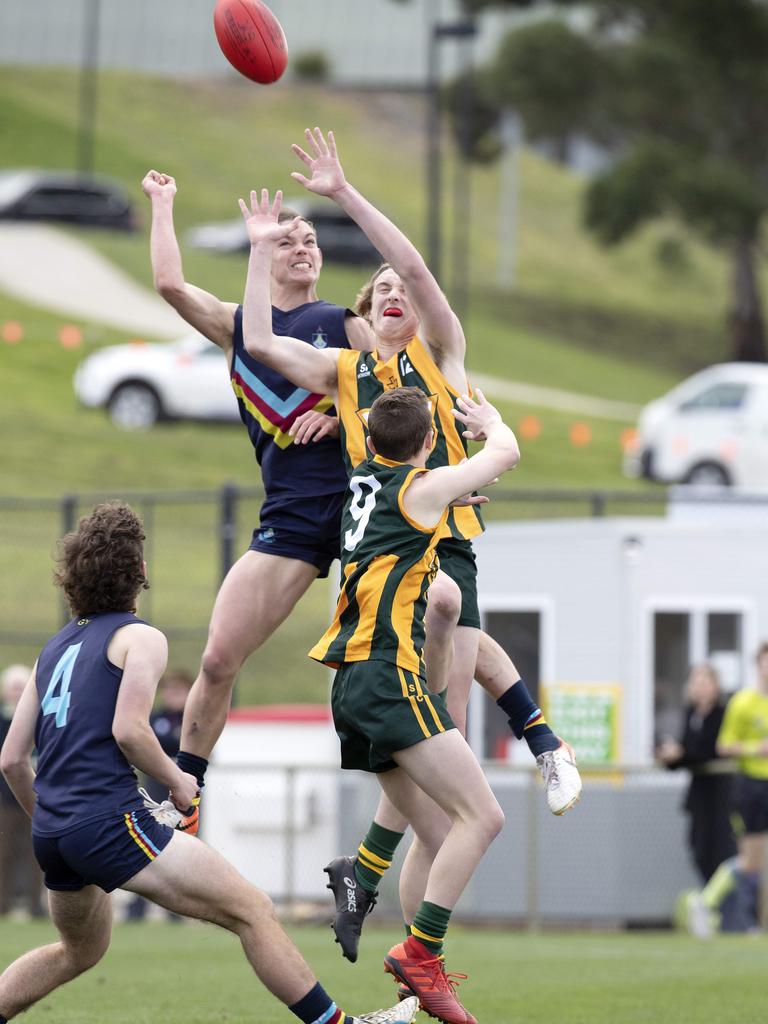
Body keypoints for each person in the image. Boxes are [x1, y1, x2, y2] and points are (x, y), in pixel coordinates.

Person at [239, 128, 581, 960]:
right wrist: (257, 251)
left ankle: (379, 881)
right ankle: (537, 744)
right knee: (432, 740)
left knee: (445, 700)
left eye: (402, 286)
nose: (395, 290)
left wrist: (346, 194)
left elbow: (420, 271)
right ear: (362, 315)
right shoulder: (347, 374)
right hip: (375, 570)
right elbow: (256, 342)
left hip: (444, 543)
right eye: (379, 287)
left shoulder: (440, 354)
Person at [0, 501, 417, 1024]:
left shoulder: (52, 650)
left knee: (78, 951)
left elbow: (14, 760)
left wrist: (53, 823)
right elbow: (128, 730)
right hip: (108, 822)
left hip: (55, 834)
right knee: (252, 910)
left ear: (73, 576)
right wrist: (178, 781)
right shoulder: (140, 638)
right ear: (141, 572)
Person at [141, 170, 462, 838]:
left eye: (310, 239)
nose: (303, 247)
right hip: (290, 516)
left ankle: (445, 745)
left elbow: (402, 386)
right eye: (289, 239)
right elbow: (170, 285)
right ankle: (184, 792)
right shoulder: (240, 328)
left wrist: (339, 413)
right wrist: (164, 203)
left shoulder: (344, 324)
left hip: (362, 510)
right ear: (265, 252)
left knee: (425, 627)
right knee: (217, 660)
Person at [310, 385, 519, 1024]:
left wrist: (442, 490)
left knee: (435, 833)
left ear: (368, 440)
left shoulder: (361, 485)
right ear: (428, 443)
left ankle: (411, 996)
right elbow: (505, 452)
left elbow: (406, 505)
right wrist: (491, 422)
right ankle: (421, 957)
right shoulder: (421, 488)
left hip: (346, 683)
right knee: (484, 818)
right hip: (385, 673)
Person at [682, 642, 768, 937]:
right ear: (758, 665)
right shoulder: (743, 703)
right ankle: (707, 902)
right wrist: (757, 748)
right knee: (751, 860)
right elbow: (724, 745)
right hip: (754, 785)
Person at [656, 663, 736, 883]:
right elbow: (687, 752)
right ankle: (710, 901)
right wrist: (668, 756)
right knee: (697, 849)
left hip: (719, 796)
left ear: (715, 686)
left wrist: (681, 754)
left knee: (721, 852)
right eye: (695, 682)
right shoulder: (691, 713)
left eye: (704, 682)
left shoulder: (722, 714)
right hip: (698, 796)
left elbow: (709, 750)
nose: (699, 688)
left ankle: (726, 908)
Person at [125, 668, 193, 921]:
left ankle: (177, 907)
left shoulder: (191, 719)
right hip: (155, 792)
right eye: (168, 691)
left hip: (185, 793)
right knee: (149, 845)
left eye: (178, 691)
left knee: (183, 844)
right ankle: (139, 905)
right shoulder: (157, 718)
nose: (171, 696)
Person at [0, 665, 44, 919]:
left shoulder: (40, 719)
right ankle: (2, 903)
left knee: (35, 854)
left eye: (21, 687)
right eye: (13, 687)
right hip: (4, 797)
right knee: (3, 853)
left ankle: (34, 904)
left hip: (34, 793)